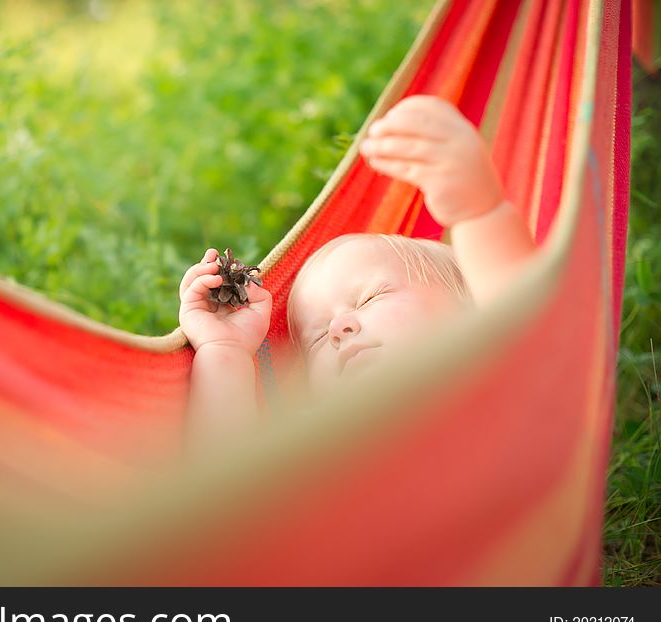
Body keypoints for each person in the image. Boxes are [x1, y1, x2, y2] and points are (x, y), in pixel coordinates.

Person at [178, 95, 537, 445]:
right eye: (316, 340)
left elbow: (525, 308)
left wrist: (478, 212)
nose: (338, 328)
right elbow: (232, 487)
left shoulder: (496, 370)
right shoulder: (322, 447)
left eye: (369, 298)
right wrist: (225, 351)